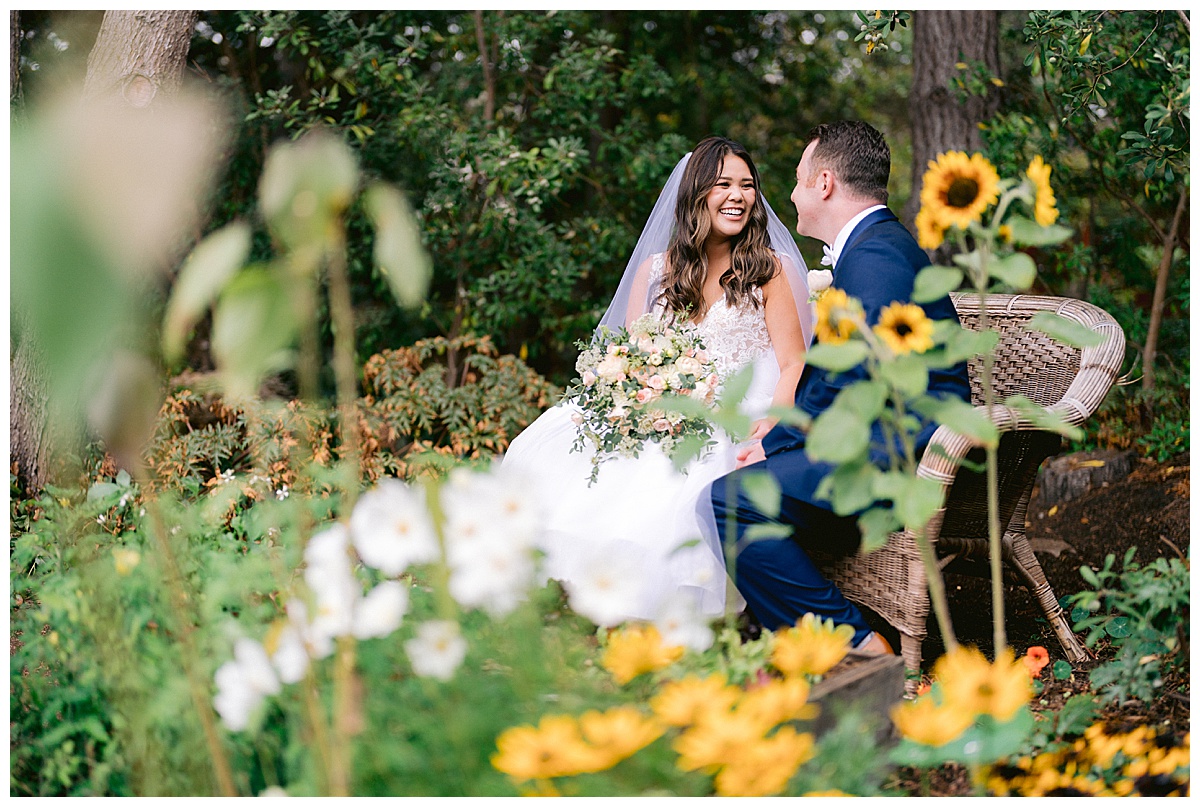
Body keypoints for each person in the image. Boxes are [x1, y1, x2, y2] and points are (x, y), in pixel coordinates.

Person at [502, 136, 813, 623]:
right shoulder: (655, 272)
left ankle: (655, 619)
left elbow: (794, 362)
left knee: (668, 492)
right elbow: (624, 356)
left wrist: (773, 426)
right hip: (654, 410)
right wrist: (634, 399)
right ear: (695, 195)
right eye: (723, 184)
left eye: (748, 186)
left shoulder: (769, 270)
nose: (739, 196)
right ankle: (570, 607)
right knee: (559, 458)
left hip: (735, 412)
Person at [709, 121, 972, 654]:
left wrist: (776, 442)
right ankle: (783, 634)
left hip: (897, 455)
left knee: (730, 499)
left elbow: (856, 383)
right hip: (886, 437)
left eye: (800, 179)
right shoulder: (874, 248)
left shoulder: (875, 260)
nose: (790, 194)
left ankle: (852, 642)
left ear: (824, 183)